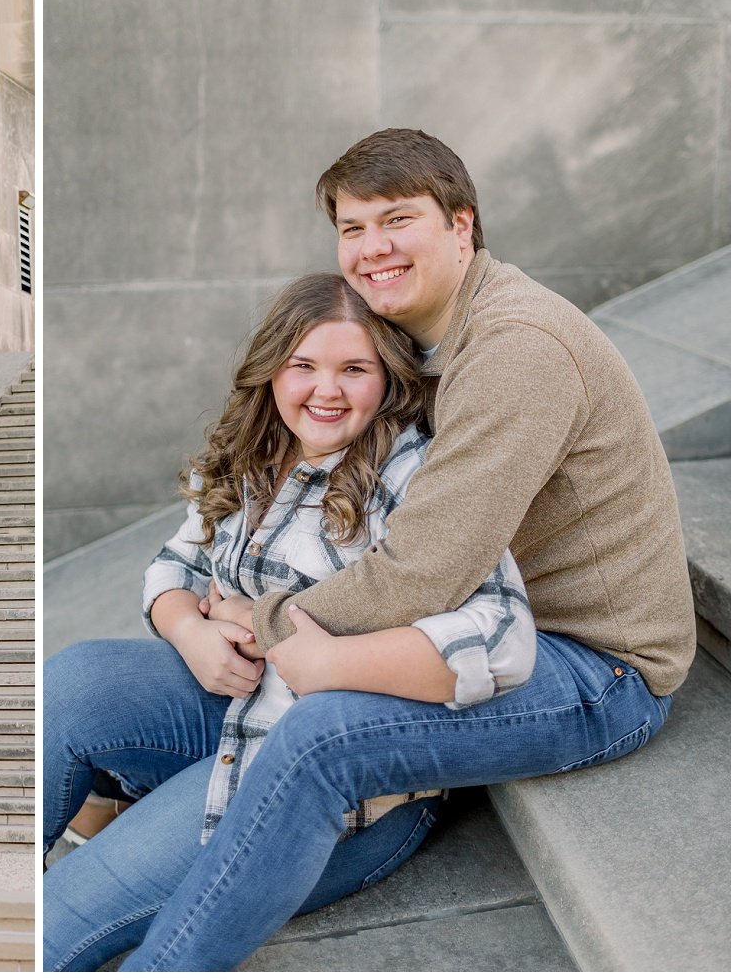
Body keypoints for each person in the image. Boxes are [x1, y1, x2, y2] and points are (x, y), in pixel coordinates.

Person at [102, 129, 694, 970]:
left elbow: (424, 572)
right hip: (470, 627)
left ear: (463, 226)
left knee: (321, 735)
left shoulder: (516, 348)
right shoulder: (422, 339)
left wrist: (258, 618)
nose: (372, 248)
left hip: (592, 665)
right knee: (102, 686)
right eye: (352, 228)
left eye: (398, 220)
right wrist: (193, 616)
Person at [44, 273, 537, 970]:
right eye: (303, 366)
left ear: (390, 378)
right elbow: (171, 567)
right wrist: (192, 630)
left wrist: (323, 654)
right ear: (272, 370)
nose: (325, 390)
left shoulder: (416, 473)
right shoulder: (258, 453)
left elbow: (504, 633)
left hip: (333, 791)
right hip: (232, 707)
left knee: (58, 917)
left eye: (354, 369)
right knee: (68, 682)